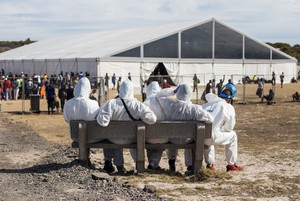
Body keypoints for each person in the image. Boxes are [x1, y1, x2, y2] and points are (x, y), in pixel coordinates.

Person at [96, 79, 157, 173]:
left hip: (114, 138)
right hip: (131, 138)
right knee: (122, 138)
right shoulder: (137, 105)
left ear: (120, 90)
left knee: (114, 138)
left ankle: (118, 166)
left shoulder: (111, 103)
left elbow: (102, 121)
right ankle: (136, 164)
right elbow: (152, 119)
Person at [156, 84, 213, 173]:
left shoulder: (170, 105)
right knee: (190, 138)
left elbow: (158, 95)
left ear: (178, 93)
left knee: (173, 134)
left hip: (173, 139)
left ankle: (172, 160)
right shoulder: (195, 109)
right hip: (188, 140)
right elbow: (210, 119)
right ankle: (190, 165)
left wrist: (173, 91)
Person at [202, 92, 244, 172]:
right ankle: (231, 164)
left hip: (200, 136)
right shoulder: (227, 106)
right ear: (229, 100)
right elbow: (229, 128)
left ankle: (210, 165)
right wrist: (221, 130)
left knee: (208, 135)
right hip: (213, 137)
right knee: (233, 136)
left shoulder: (204, 106)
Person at [143, 81, 172, 170]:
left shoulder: (144, 103)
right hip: (163, 137)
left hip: (148, 137)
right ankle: (153, 163)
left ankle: (153, 163)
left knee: (150, 143)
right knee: (160, 143)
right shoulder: (164, 102)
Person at [63, 77, 100, 143]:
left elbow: (66, 119)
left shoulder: (68, 104)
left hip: (76, 137)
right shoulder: (94, 104)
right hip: (91, 137)